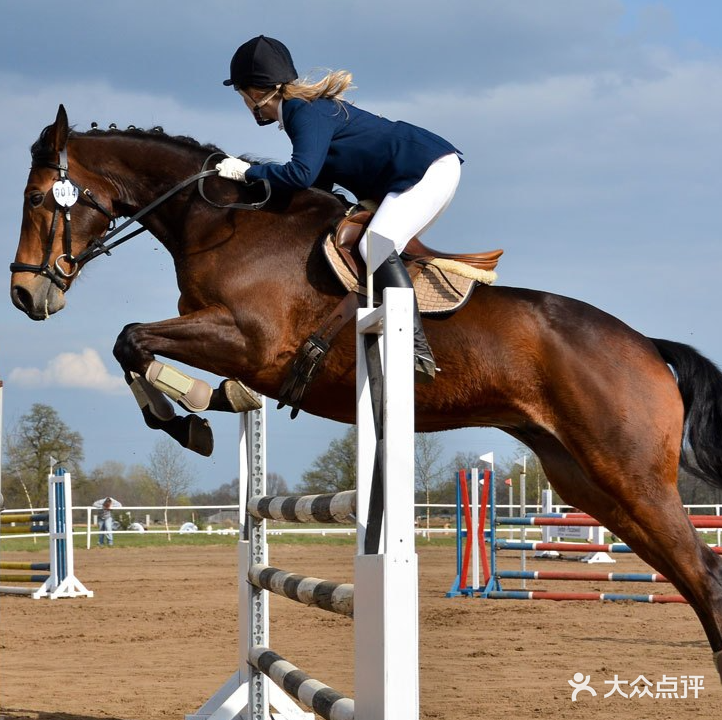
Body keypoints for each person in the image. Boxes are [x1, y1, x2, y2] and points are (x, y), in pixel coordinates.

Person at [217, 35, 463, 383]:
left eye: (242, 96)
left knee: (375, 243)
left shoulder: (305, 112)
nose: (244, 104)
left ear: (256, 93)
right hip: (414, 172)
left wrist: (248, 172)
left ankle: (416, 347)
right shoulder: (303, 113)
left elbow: (301, 174)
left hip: (426, 169)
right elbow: (319, 187)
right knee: (367, 241)